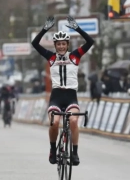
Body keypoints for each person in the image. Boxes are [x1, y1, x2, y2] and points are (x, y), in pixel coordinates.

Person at [31, 15, 94, 165]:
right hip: (56, 97)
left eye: (63, 44)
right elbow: (35, 43)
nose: (60, 46)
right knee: (55, 122)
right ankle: (53, 149)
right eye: (58, 44)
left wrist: (77, 28)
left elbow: (90, 42)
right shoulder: (51, 57)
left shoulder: (75, 56)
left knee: (73, 120)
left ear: (67, 44)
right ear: (55, 45)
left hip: (71, 96)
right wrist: (45, 29)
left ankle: (75, 153)